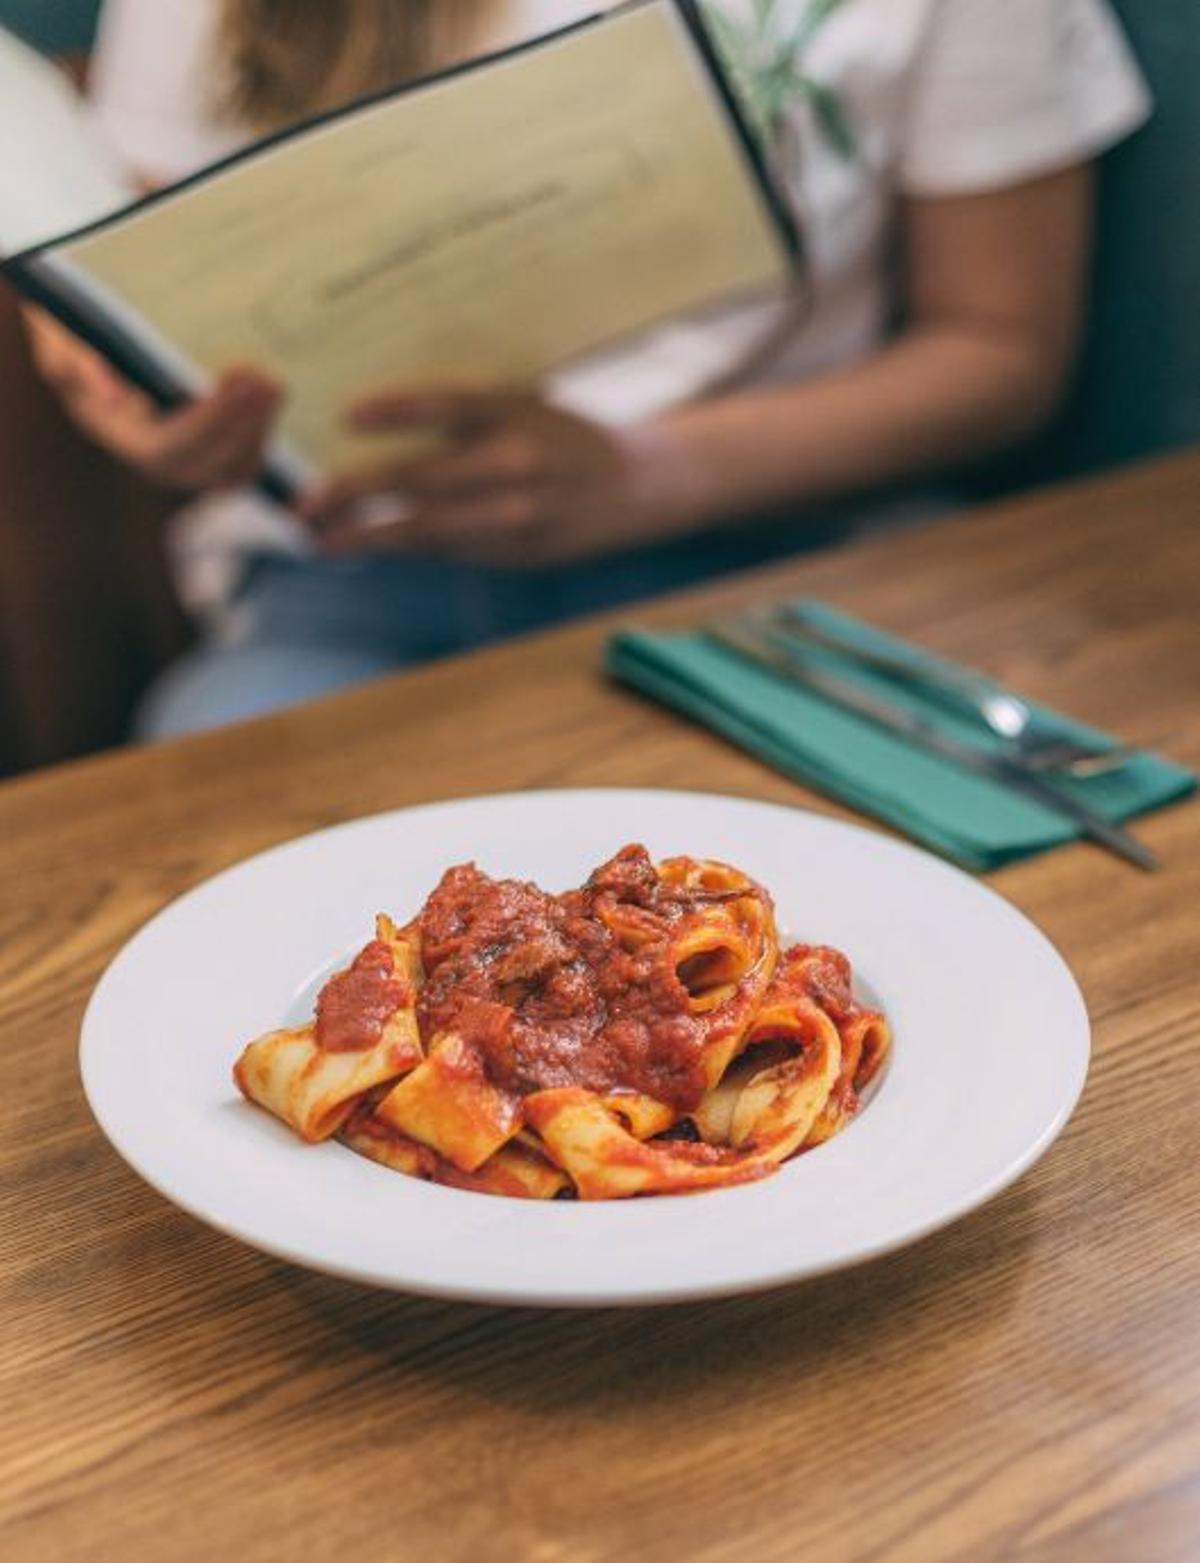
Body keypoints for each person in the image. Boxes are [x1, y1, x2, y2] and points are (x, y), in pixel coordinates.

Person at [26, 0, 1150, 738]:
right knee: (225, 820)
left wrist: (650, 474)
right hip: (351, 578)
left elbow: (1004, 349)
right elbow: (134, 279)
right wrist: (125, 391)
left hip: (783, 556)